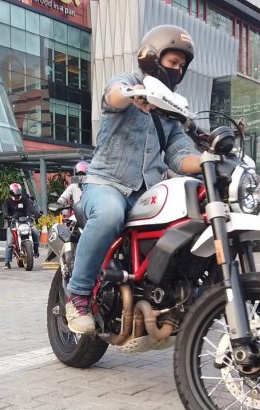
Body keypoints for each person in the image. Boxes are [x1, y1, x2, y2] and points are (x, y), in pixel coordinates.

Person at [65, 24, 204, 334]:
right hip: (106, 184)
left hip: (145, 193)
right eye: (172, 62)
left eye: (182, 66)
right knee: (110, 214)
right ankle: (78, 295)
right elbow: (112, 96)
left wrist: (210, 160)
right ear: (152, 58)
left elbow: (180, 157)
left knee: (185, 222)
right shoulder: (128, 83)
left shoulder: (172, 111)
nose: (177, 70)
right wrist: (134, 94)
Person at [2, 183, 40, 269]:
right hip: (13, 223)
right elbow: (4, 210)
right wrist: (6, 215)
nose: (17, 197)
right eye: (15, 195)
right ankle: (7, 262)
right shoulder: (7, 201)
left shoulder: (25, 200)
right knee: (10, 242)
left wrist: (36, 213)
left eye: (18, 195)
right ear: (11, 193)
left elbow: (31, 208)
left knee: (36, 233)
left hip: (25, 222)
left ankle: (36, 250)